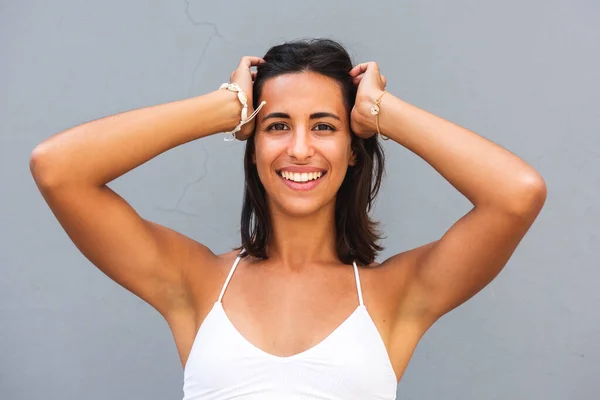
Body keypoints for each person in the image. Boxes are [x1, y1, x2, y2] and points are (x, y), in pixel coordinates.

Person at [29, 38, 547, 399]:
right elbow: (57, 169)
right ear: (252, 146)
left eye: (324, 126)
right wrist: (224, 107)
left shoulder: (398, 294)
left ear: (352, 149)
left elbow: (517, 194)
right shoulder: (196, 281)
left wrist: (382, 112)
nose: (300, 149)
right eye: (277, 126)